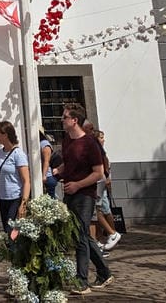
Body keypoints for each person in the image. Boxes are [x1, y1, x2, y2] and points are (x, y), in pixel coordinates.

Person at [60, 103, 113, 295]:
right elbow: (68, 164)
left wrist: (78, 184)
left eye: (65, 117)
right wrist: (56, 172)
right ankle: (104, 272)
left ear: (75, 120)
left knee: (81, 235)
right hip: (70, 193)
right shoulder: (67, 140)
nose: (62, 120)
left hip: (85, 195)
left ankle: (82, 281)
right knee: (80, 234)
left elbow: (98, 173)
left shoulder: (90, 143)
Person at [85, 123, 121, 252]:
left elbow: (103, 166)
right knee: (97, 211)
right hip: (99, 182)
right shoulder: (97, 150)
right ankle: (100, 239)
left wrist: (106, 177)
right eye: (101, 137)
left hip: (98, 183)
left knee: (99, 210)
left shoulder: (97, 151)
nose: (103, 139)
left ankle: (111, 233)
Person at [38, 128, 59, 197]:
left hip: (47, 177)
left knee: (50, 200)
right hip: (41, 176)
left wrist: (44, 176)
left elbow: (46, 161)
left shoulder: (44, 144)